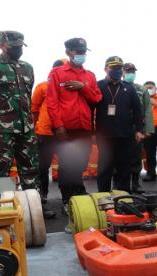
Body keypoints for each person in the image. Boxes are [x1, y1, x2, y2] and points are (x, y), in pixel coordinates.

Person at [0, 31, 55, 218]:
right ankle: (2, 208)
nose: (18, 49)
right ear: (1, 44)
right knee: (1, 170)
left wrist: (32, 124)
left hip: (26, 128)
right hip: (0, 129)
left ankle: (34, 208)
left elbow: (26, 97)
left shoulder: (27, 67)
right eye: (14, 46)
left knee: (30, 169)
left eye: (20, 46)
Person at [46, 38, 102, 210]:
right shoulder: (57, 74)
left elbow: (97, 98)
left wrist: (82, 87)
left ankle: (78, 191)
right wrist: (58, 126)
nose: (81, 54)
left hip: (84, 128)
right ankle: (67, 199)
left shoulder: (90, 76)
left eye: (84, 51)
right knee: (67, 163)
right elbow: (51, 102)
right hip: (66, 129)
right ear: (68, 52)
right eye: (78, 51)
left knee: (81, 163)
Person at [95, 56, 143, 193]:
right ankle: (103, 197)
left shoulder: (129, 88)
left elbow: (137, 110)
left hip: (125, 134)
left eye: (119, 68)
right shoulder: (98, 86)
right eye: (113, 68)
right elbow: (90, 108)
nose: (117, 70)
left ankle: (123, 196)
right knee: (105, 167)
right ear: (105, 69)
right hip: (104, 135)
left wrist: (139, 130)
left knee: (124, 167)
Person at [31, 59, 66, 203]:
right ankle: (42, 194)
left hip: (64, 132)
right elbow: (34, 109)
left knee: (66, 165)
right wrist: (37, 127)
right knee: (43, 166)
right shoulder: (42, 87)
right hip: (45, 134)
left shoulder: (69, 87)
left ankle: (66, 195)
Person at [122, 63, 153, 193]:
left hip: (137, 128)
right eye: (128, 71)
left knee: (136, 156)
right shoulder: (117, 86)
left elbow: (147, 110)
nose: (131, 73)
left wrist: (148, 129)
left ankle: (135, 183)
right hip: (120, 126)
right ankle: (120, 185)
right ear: (122, 72)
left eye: (133, 71)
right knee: (119, 157)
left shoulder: (141, 89)